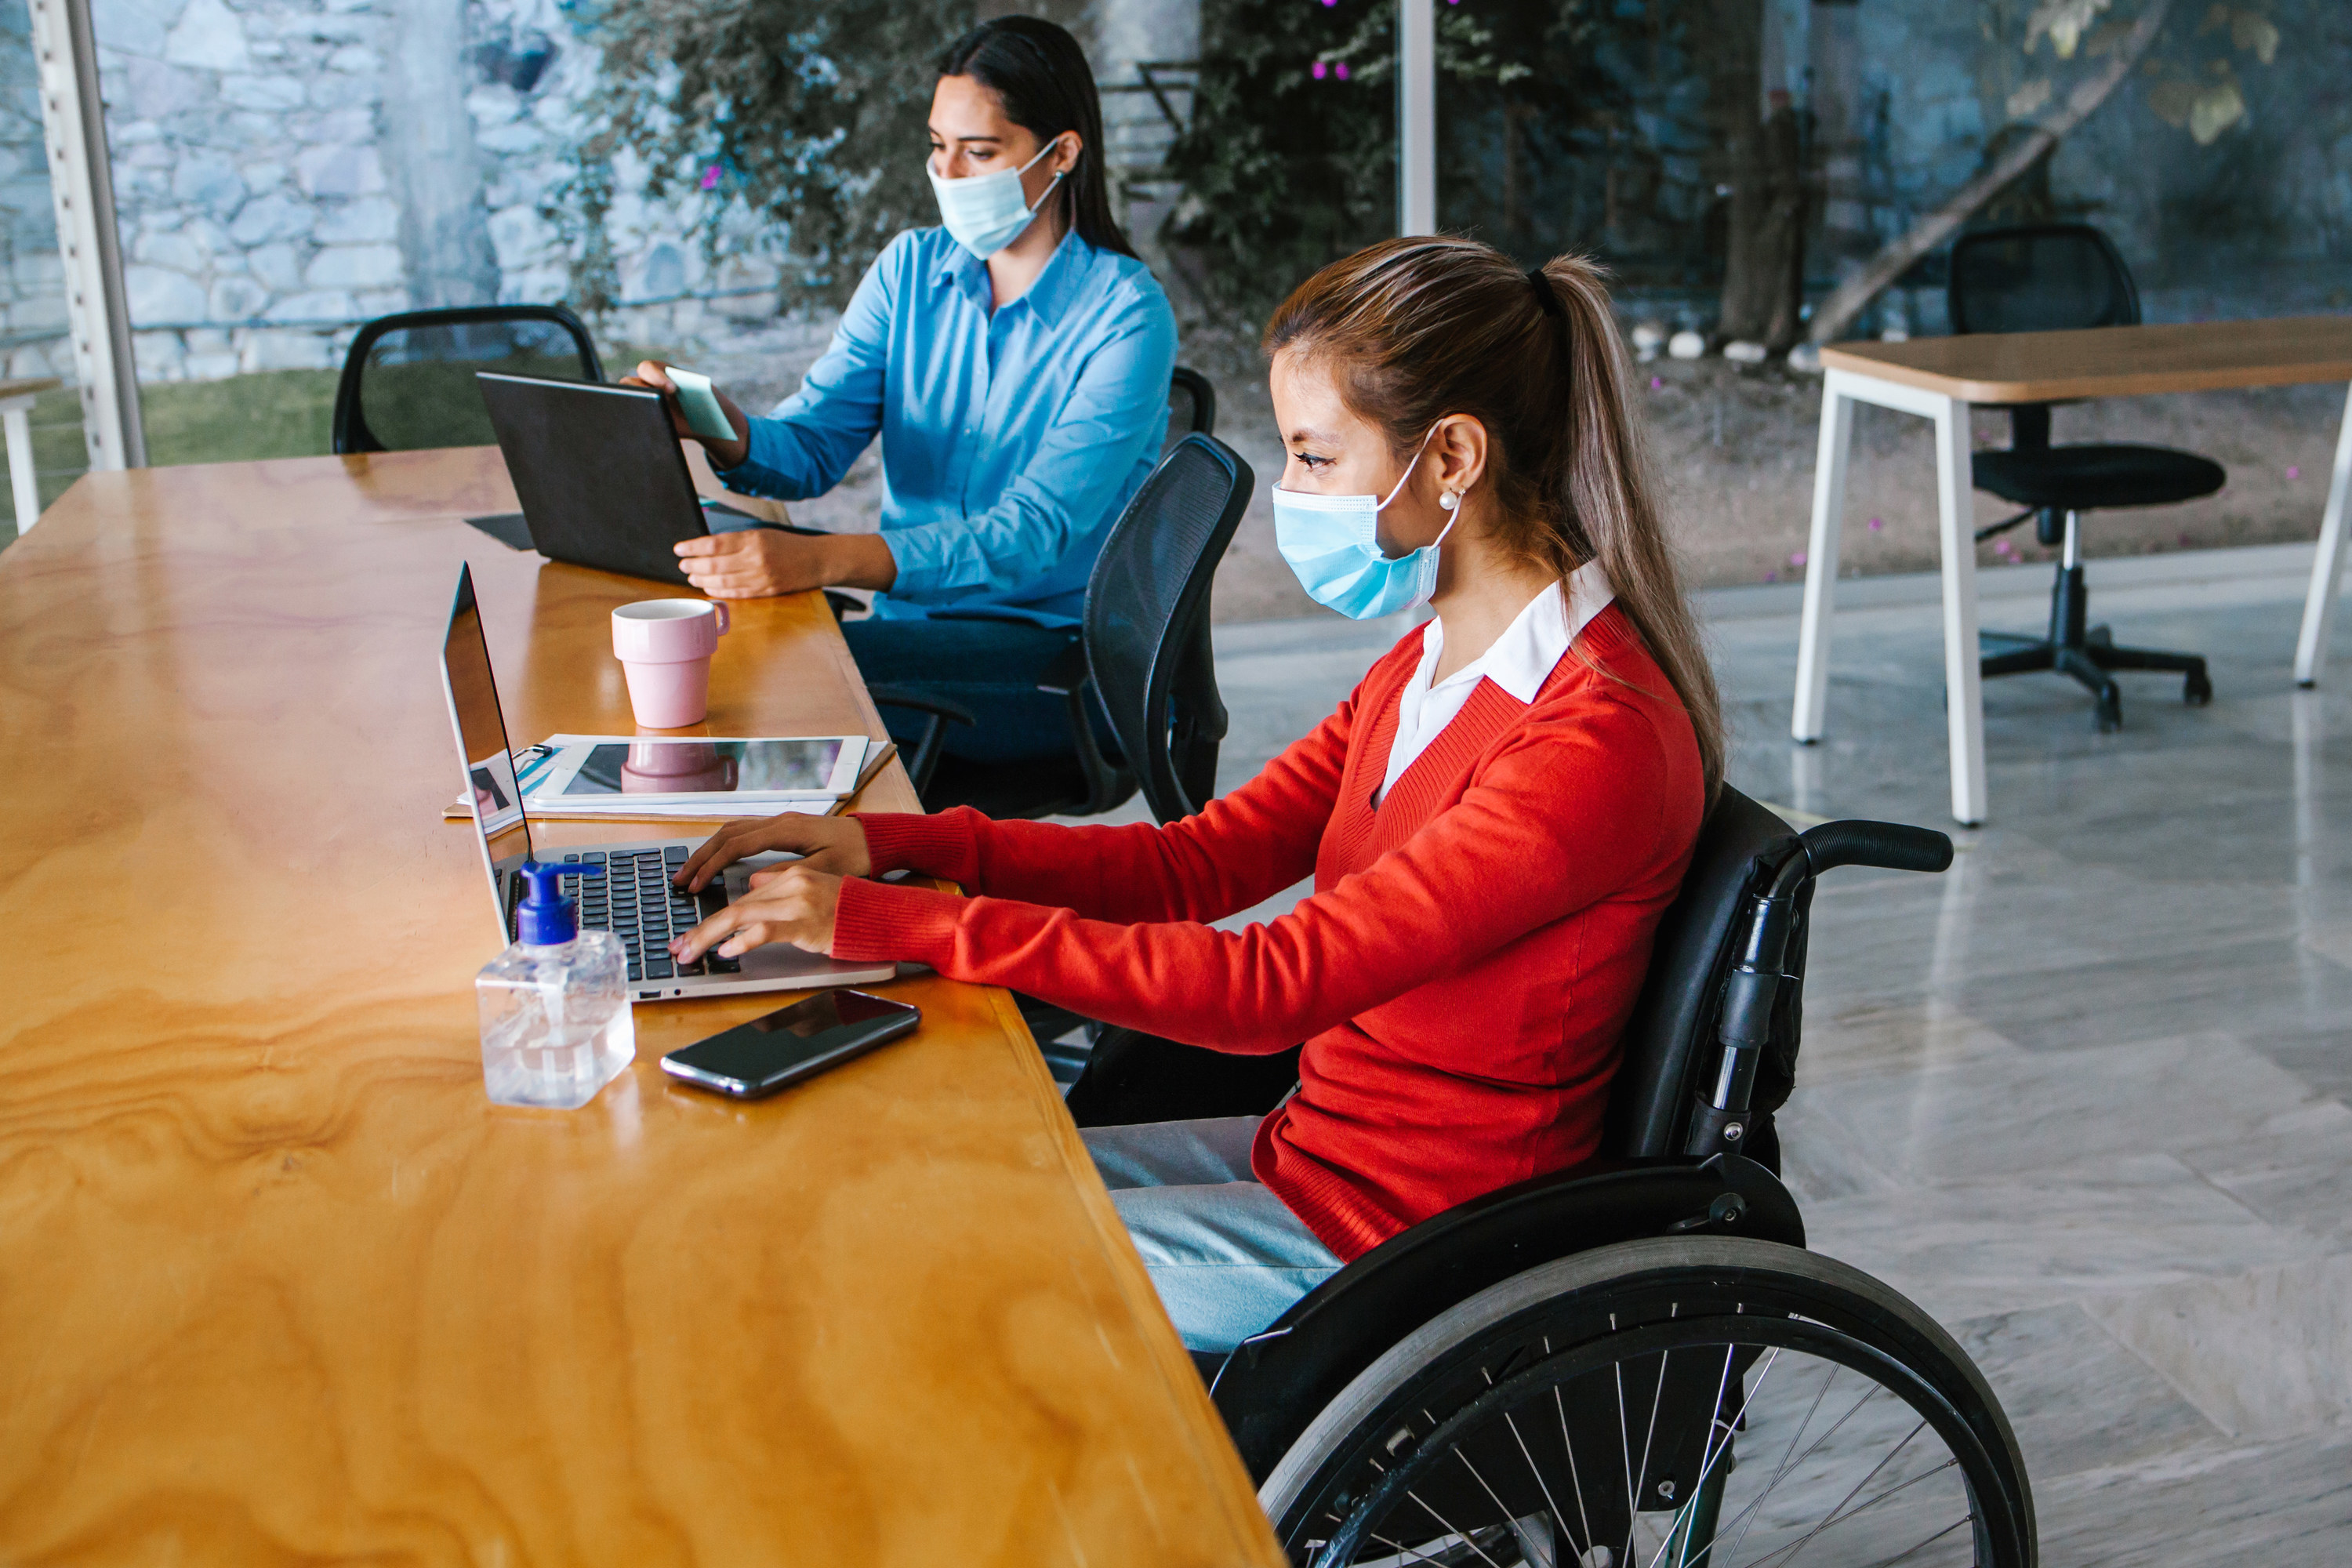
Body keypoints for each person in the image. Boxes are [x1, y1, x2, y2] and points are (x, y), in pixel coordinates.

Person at [664, 238, 1722, 1354]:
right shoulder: (1431, 665)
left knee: (932, 1255)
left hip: (1409, 1243)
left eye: (1314, 458)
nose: (1293, 495)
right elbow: (1197, 866)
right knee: (927, 1182)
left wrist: (905, 921)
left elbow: (1272, 986)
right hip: (1313, 1153)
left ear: (1453, 454)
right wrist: (890, 845)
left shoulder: (1591, 736)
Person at [626, 16, 1177, 765]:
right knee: (730, 651)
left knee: (761, 678)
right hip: (915, 632)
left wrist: (819, 561)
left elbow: (1031, 535)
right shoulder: (909, 271)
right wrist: (721, 426)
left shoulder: (1127, 316)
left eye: (980, 152)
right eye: (937, 146)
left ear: (1062, 154)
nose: (947, 175)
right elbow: (815, 446)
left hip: (1052, 665)